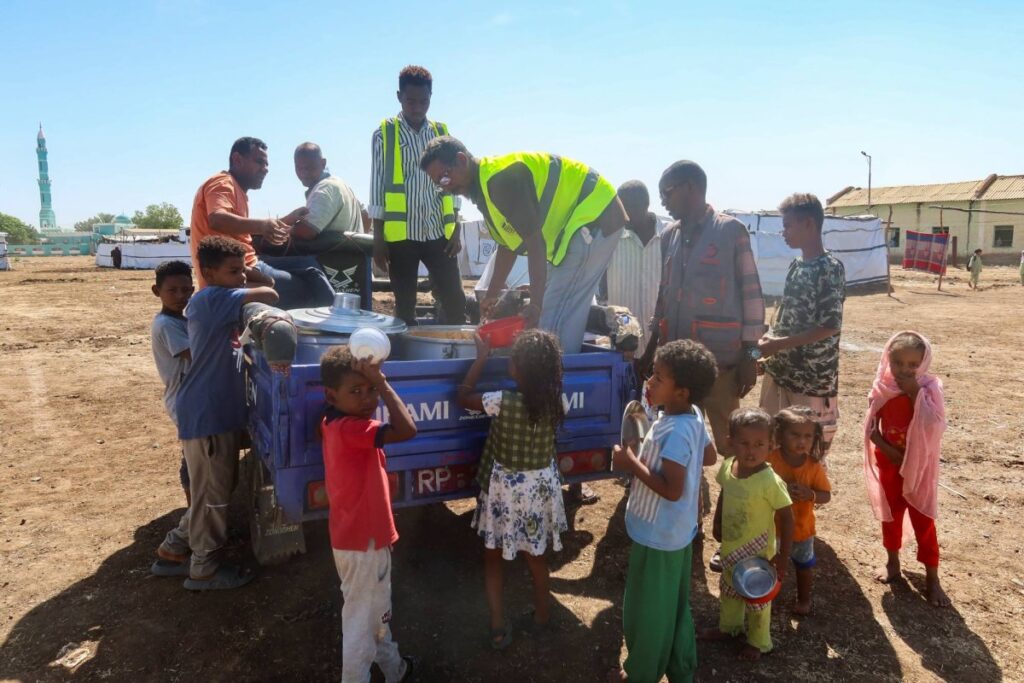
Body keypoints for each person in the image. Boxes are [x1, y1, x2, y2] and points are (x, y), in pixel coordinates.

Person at [639, 160, 766, 572]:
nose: (662, 201)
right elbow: (663, 295)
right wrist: (653, 347)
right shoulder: (669, 236)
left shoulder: (730, 232)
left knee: (733, 452)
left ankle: (732, 535)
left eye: (667, 191)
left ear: (691, 187)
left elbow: (751, 292)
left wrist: (750, 354)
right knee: (683, 447)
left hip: (722, 365)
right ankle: (688, 521)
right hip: (678, 370)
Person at [419, 136, 628, 355]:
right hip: (581, 226)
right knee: (551, 312)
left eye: (444, 177)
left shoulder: (500, 180)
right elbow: (507, 246)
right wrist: (491, 295)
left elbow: (535, 242)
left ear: (461, 160)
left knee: (553, 318)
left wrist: (536, 305)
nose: (446, 187)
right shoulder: (484, 191)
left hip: (594, 217)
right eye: (438, 184)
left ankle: (556, 382)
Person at [156, 236, 279, 590]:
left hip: (210, 411)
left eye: (242, 270)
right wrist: (256, 275)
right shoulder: (212, 298)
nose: (241, 277)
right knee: (213, 495)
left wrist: (243, 273)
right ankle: (204, 568)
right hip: (207, 413)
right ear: (207, 272)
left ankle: (175, 548)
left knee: (214, 488)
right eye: (234, 270)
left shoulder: (215, 296)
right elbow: (270, 294)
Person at [608, 340, 719, 683]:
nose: (649, 382)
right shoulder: (692, 416)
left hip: (658, 535)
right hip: (678, 532)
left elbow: (671, 490)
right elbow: (711, 455)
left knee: (649, 611)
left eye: (658, 377)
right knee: (672, 604)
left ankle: (641, 673)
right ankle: (680, 667)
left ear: (681, 392)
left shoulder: (675, 430)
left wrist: (632, 463)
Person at [456, 329, 569, 650]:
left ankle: (496, 625)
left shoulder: (501, 401)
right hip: (538, 488)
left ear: (519, 368)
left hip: (505, 489)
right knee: (536, 557)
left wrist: (481, 359)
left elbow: (463, 397)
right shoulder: (558, 402)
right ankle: (543, 616)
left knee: (492, 558)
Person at [319, 346, 417, 683]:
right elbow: (407, 430)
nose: (367, 399)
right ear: (332, 395)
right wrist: (384, 384)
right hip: (363, 543)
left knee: (376, 614)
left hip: (361, 539)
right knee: (361, 625)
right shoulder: (352, 429)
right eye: (356, 391)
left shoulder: (335, 421)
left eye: (371, 390)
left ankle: (396, 669)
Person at [370, 65, 466, 326]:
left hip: (438, 232)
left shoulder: (441, 132)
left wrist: (456, 226)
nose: (417, 106)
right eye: (411, 100)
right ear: (399, 96)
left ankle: (454, 352)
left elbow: (454, 180)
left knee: (455, 298)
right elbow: (378, 185)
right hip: (402, 236)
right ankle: (406, 359)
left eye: (423, 101)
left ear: (431, 97)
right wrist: (378, 238)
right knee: (404, 305)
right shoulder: (385, 134)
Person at [190, 136, 333, 308]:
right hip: (237, 271)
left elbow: (242, 229)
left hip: (249, 264)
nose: (265, 169)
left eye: (266, 164)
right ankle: (335, 323)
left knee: (309, 265)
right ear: (237, 159)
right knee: (310, 282)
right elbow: (217, 219)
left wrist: (287, 219)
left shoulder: (238, 190)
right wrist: (262, 225)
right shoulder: (222, 183)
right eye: (259, 162)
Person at [700, 408, 794, 660]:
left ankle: (759, 641)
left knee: (758, 599)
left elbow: (787, 517)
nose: (751, 451)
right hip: (731, 546)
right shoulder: (729, 467)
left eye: (759, 444)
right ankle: (730, 628)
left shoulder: (769, 481)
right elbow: (725, 492)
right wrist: (718, 520)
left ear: (771, 445)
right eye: (744, 443)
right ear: (730, 442)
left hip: (758, 554)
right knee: (730, 588)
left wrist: (783, 557)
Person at [864, 331, 949, 607]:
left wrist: (914, 392)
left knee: (923, 518)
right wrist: (891, 452)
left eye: (913, 365)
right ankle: (892, 562)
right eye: (899, 363)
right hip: (889, 463)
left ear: (923, 363)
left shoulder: (929, 389)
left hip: (920, 468)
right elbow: (872, 429)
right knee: (891, 513)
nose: (905, 370)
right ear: (889, 360)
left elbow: (934, 424)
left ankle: (932, 578)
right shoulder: (882, 387)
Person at [758, 193, 845, 456]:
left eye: (788, 226)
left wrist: (778, 344)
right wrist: (763, 351)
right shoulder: (796, 265)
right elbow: (787, 319)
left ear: (808, 224)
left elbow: (830, 325)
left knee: (806, 452)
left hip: (812, 379)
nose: (783, 232)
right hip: (782, 372)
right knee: (772, 442)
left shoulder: (829, 268)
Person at [766, 406, 831, 616]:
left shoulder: (813, 466)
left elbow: (826, 495)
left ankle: (803, 598)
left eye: (807, 436)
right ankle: (768, 594)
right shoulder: (770, 459)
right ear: (780, 434)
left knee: (804, 566)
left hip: (802, 530)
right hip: (772, 528)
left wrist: (809, 494)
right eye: (795, 434)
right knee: (770, 563)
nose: (801, 441)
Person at [288, 142, 370, 294]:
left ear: (323, 163)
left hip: (330, 267)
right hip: (354, 266)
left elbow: (307, 231)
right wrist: (354, 240)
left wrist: (282, 230)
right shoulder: (341, 185)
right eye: (299, 168)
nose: (304, 173)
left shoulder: (325, 189)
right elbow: (366, 214)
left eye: (309, 167)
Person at [601, 180, 668, 347]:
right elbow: (600, 284)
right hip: (623, 347)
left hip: (660, 347)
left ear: (646, 205)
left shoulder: (670, 237)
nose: (625, 215)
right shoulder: (611, 240)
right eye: (621, 208)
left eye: (630, 208)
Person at [149, 260, 194, 510]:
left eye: (186, 290)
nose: (180, 296)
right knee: (191, 456)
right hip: (183, 401)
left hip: (189, 397)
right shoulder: (167, 325)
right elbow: (197, 356)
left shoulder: (182, 319)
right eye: (172, 290)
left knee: (195, 454)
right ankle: (192, 509)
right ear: (157, 291)